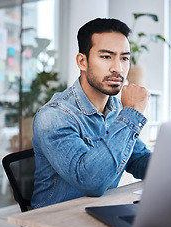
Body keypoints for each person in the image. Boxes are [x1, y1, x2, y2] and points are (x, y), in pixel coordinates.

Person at [31, 18, 151, 211]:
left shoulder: (115, 110)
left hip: (100, 213)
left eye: (124, 58)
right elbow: (92, 182)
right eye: (106, 57)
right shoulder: (53, 116)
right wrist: (132, 113)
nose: (118, 68)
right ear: (82, 61)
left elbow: (137, 159)